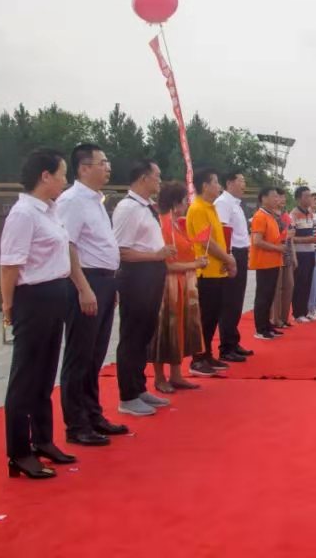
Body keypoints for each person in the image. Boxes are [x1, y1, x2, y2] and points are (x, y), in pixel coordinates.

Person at [0, 149, 74, 479]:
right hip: (32, 297)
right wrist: (8, 306)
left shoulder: (51, 211)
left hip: (55, 293)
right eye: (62, 174)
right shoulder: (23, 214)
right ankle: (19, 452)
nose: (65, 181)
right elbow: (9, 265)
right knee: (25, 377)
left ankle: (43, 439)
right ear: (45, 176)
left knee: (45, 374)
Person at [56, 144, 127, 448]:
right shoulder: (72, 200)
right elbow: (68, 245)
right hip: (85, 281)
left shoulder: (96, 200)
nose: (108, 167)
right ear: (84, 168)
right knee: (79, 356)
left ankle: (93, 414)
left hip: (104, 282)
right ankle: (76, 424)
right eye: (102, 162)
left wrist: (111, 286)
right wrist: (84, 287)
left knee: (95, 355)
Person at [112, 159, 175, 417]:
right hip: (136, 277)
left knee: (144, 334)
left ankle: (138, 388)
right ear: (143, 178)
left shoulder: (146, 207)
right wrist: (155, 255)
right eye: (156, 176)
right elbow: (121, 251)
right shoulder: (127, 208)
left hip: (152, 275)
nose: (160, 180)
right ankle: (127, 396)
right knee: (132, 335)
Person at [152, 181, 209, 392]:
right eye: (185, 201)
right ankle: (159, 377)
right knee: (165, 329)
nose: (187, 205)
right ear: (176, 203)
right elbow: (167, 264)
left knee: (181, 329)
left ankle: (176, 374)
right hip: (169, 285)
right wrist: (195, 265)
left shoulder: (178, 224)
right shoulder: (165, 226)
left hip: (184, 282)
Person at [186, 169, 241, 374]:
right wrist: (228, 258)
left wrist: (225, 258)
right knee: (205, 317)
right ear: (205, 186)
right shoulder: (198, 208)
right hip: (205, 272)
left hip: (216, 270)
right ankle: (198, 359)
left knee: (213, 316)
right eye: (216, 182)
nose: (219, 186)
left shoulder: (210, 208)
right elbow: (205, 242)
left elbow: (219, 238)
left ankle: (207, 354)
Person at [213, 169, 254, 361]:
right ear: (229, 183)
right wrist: (228, 257)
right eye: (241, 181)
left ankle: (233, 341)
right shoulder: (223, 202)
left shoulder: (236, 204)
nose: (244, 185)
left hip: (241, 252)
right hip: (232, 253)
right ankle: (226, 347)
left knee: (237, 301)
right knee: (229, 302)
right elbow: (222, 232)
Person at [250, 187, 288, 340]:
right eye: (273, 196)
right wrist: (277, 248)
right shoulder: (260, 216)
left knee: (269, 295)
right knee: (263, 296)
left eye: (277, 197)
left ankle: (267, 325)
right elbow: (257, 241)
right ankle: (260, 328)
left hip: (273, 261)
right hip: (263, 262)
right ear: (263, 198)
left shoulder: (271, 216)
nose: (277, 199)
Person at [290, 187, 316, 322]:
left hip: (310, 252)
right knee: (299, 283)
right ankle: (298, 313)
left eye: (310, 196)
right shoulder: (294, 214)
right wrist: (307, 240)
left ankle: (305, 311)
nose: (309, 199)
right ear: (299, 198)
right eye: (306, 196)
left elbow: (313, 235)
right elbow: (291, 238)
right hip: (299, 253)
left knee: (308, 283)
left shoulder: (311, 214)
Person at [270, 191, 296, 329]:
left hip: (287, 254)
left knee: (289, 286)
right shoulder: (271, 215)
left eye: (284, 197)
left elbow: (291, 238)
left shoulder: (286, 215)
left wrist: (294, 256)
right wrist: (286, 236)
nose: (282, 200)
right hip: (276, 254)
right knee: (277, 288)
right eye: (279, 197)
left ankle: (284, 317)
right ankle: (275, 318)